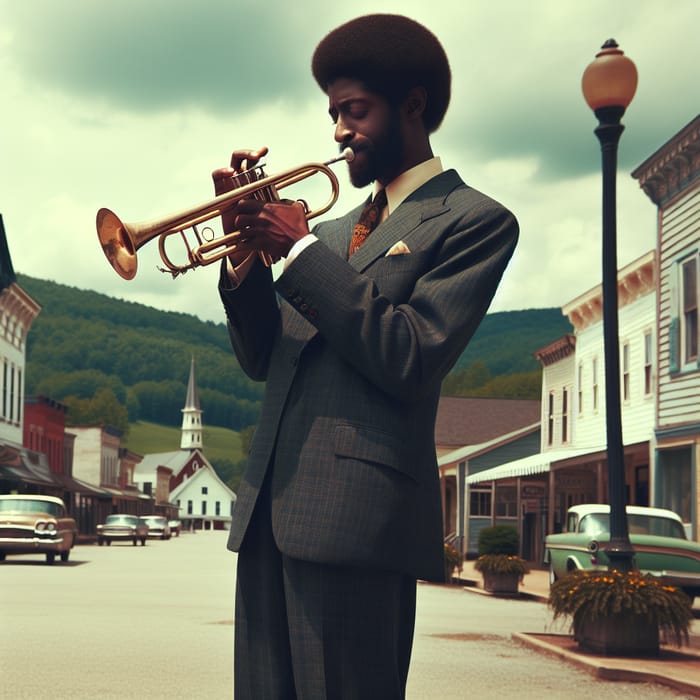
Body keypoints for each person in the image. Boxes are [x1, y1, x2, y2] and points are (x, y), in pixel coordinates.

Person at [213, 14, 519, 700]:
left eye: (354, 110)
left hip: (356, 523)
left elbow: (409, 353)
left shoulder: (475, 220)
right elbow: (265, 359)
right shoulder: (328, 232)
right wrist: (246, 259)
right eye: (333, 113)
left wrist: (297, 254)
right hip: (268, 512)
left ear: (412, 105)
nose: (339, 131)